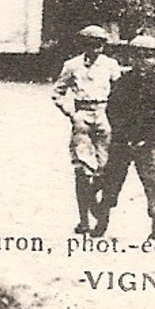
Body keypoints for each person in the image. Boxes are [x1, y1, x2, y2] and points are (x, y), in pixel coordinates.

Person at [93, 36, 155, 240]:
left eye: (151, 56)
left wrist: (150, 137)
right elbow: (113, 111)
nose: (148, 61)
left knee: (152, 182)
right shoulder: (123, 83)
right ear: (133, 58)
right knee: (112, 180)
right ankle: (102, 222)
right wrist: (124, 136)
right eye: (143, 56)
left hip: (147, 144)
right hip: (123, 143)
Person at [52, 24, 122, 234]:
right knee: (82, 171)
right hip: (81, 117)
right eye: (91, 44)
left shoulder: (110, 65)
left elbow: (119, 92)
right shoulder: (72, 65)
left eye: (100, 44)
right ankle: (84, 220)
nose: (96, 48)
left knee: (105, 169)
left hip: (104, 115)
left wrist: (115, 115)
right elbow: (57, 93)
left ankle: (102, 217)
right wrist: (71, 113)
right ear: (83, 44)